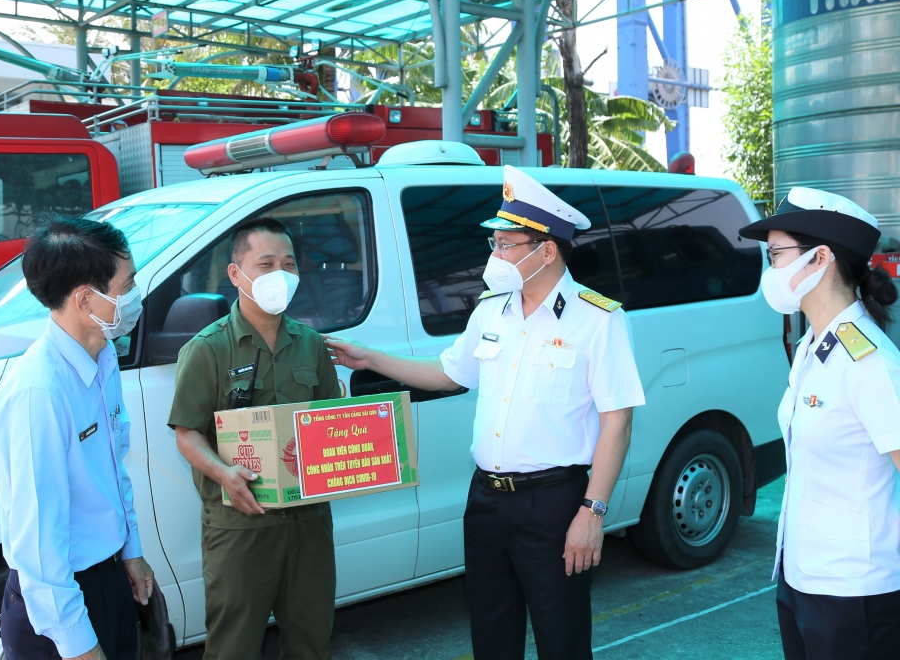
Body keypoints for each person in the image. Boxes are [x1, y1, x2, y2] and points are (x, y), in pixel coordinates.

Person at [327, 166, 644, 660]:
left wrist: (592, 511)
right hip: (487, 500)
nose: (494, 256)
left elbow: (617, 422)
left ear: (546, 250)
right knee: (492, 634)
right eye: (493, 244)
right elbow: (451, 373)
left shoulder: (597, 319)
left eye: (505, 245)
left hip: (555, 502)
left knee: (561, 637)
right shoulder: (491, 309)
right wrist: (370, 359)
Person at [738, 187, 900, 660]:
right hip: (803, 575)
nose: (771, 271)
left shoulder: (868, 361)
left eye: (776, 255)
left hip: (855, 591)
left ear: (820, 258)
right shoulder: (815, 346)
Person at [168, 216, 340, 660]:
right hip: (240, 526)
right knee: (234, 647)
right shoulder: (208, 349)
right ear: (236, 274)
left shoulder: (311, 345)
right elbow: (187, 434)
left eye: (288, 263)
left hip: (308, 523)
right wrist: (225, 473)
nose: (279, 275)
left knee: (312, 641)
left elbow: (327, 423)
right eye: (266, 264)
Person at [0, 214, 155, 660]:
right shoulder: (39, 392)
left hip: (106, 579)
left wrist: (131, 551)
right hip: (58, 606)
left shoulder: (101, 359)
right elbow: (39, 544)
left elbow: (111, 466)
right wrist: (79, 646)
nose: (136, 296)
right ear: (86, 299)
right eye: (128, 285)